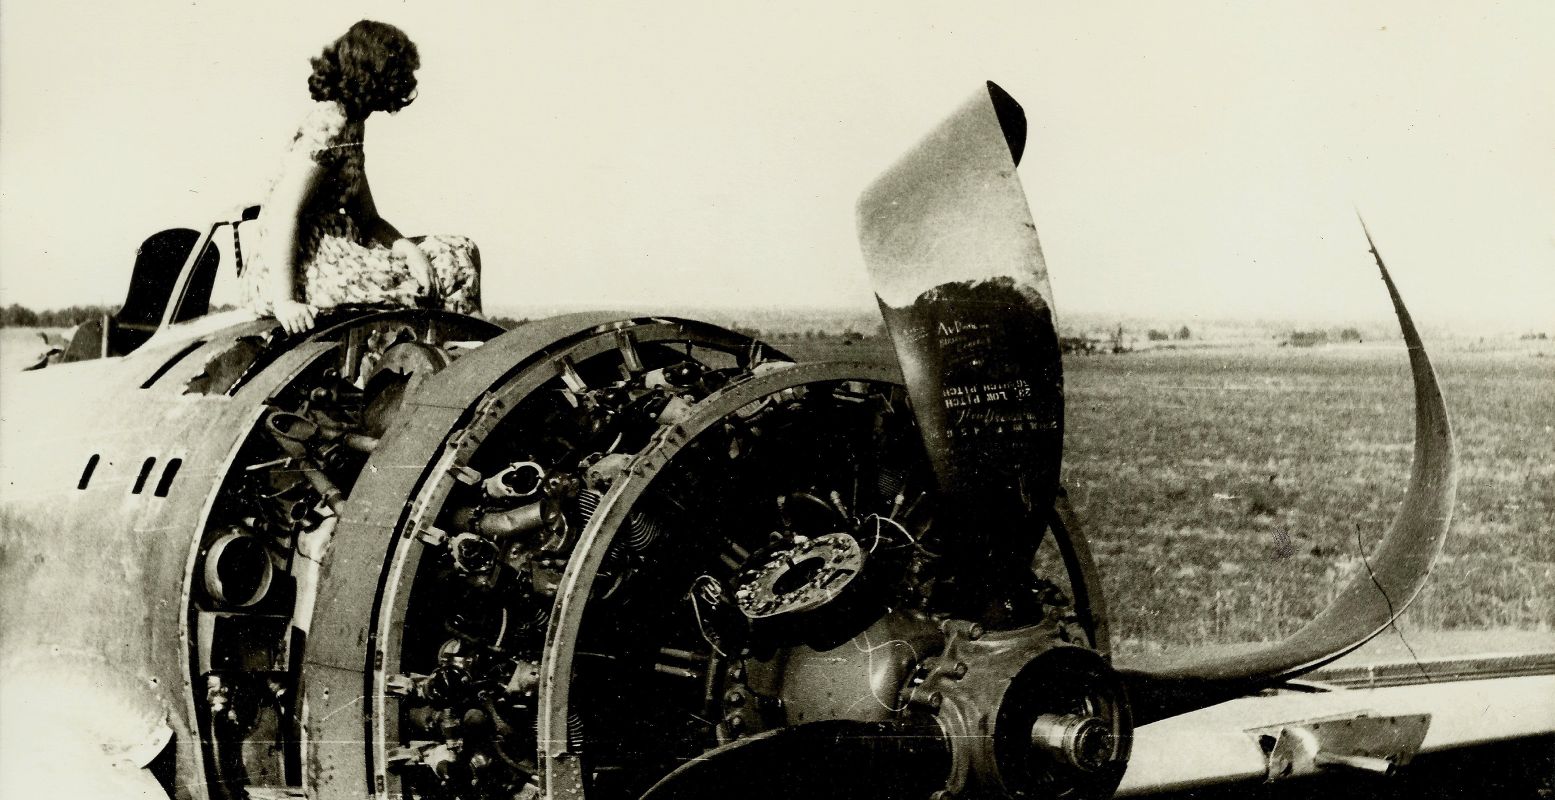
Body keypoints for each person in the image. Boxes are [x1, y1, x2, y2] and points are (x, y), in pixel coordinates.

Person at [243, 20, 482, 334]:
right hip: (304, 268)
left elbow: (367, 218)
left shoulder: (352, 123)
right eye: (399, 71)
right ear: (375, 72)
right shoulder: (330, 124)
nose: (406, 80)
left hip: (335, 254)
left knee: (460, 249)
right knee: (451, 268)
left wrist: (410, 251)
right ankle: (465, 356)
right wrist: (285, 300)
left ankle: (467, 352)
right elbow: (284, 213)